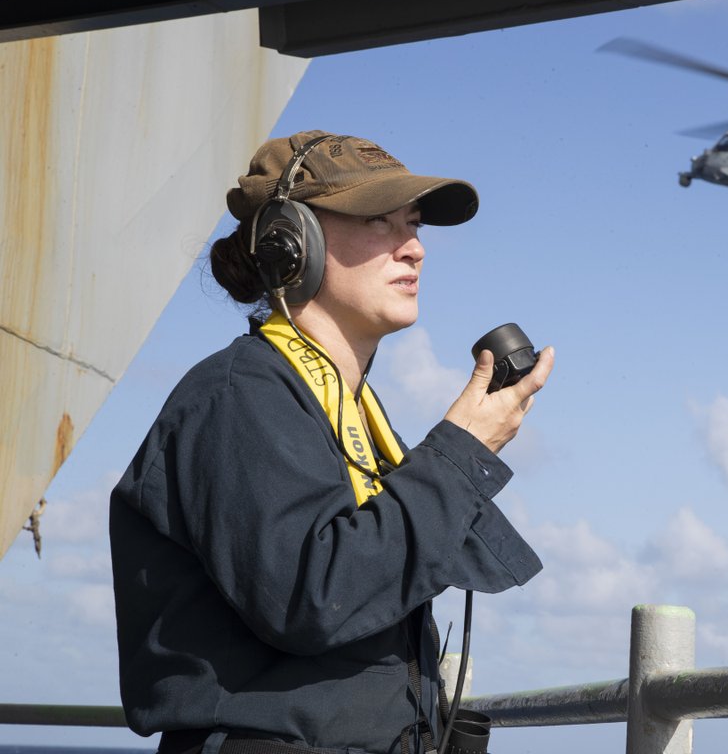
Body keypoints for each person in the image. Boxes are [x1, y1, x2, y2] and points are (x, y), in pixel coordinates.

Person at [109, 130, 554, 754]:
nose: (415, 250)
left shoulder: (346, 412)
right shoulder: (240, 396)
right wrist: (460, 448)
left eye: (415, 225)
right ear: (291, 244)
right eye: (380, 221)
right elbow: (311, 597)